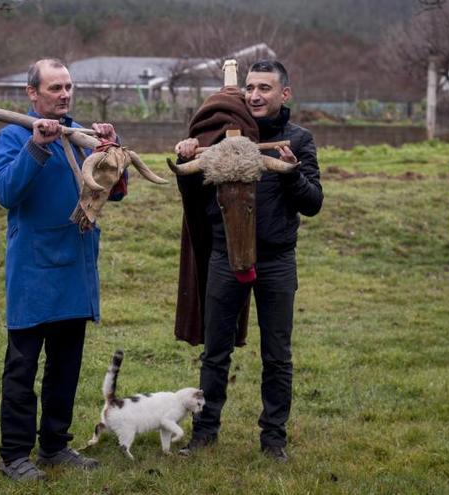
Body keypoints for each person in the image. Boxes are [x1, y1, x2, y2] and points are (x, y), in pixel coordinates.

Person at [172, 60, 323, 462]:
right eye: (250, 88)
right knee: (215, 352)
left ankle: (273, 439)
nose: (255, 95)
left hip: (276, 261)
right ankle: (205, 433)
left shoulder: (299, 139)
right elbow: (198, 201)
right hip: (224, 257)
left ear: (284, 94)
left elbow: (313, 203)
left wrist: (291, 172)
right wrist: (189, 163)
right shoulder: (223, 136)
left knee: (277, 355)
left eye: (265, 88)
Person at [0, 58, 125, 481]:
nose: (64, 95)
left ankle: (54, 445)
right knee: (22, 366)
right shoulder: (13, 134)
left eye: (68, 87)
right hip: (33, 270)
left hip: (75, 268)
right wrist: (37, 146)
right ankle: (14, 455)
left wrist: (109, 149)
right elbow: (6, 192)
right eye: (54, 88)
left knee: (66, 365)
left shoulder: (81, 135)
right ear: (33, 93)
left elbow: (115, 192)